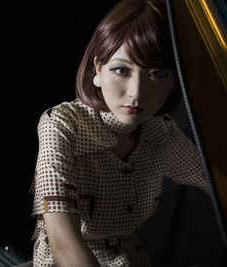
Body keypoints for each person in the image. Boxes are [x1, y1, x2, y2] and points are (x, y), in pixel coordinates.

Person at [28, 0, 211, 266]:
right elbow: (62, 238)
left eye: (157, 74)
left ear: (174, 82)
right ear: (98, 68)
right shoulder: (62, 124)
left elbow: (214, 180)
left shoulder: (162, 134)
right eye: (121, 70)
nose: (136, 92)